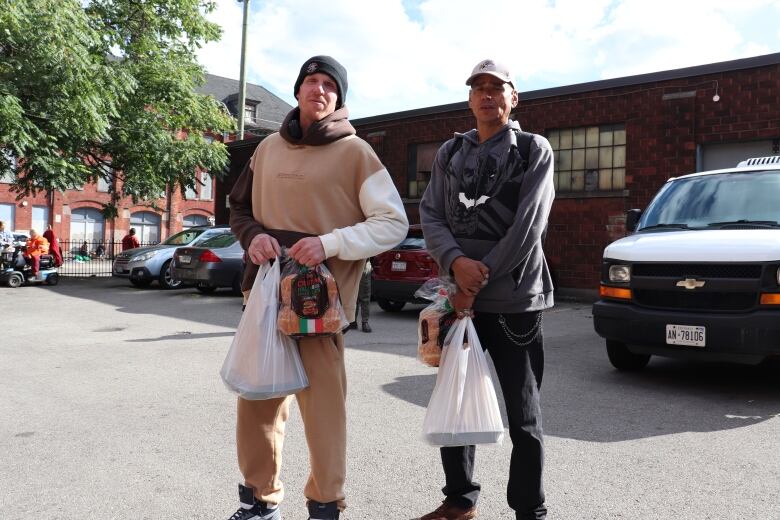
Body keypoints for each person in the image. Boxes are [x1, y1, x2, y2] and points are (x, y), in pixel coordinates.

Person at [227, 55, 407, 520]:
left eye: (330, 84)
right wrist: (253, 237)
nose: (319, 89)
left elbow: (392, 224)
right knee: (258, 404)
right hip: (265, 296)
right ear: (298, 90)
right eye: (312, 81)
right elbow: (239, 210)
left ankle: (326, 504)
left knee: (324, 412)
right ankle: (259, 500)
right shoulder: (266, 148)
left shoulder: (356, 153)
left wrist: (330, 242)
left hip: (318, 304)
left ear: (339, 99)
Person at [417, 59, 555, 520]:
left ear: (514, 98)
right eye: (478, 86)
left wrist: (479, 276)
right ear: (469, 98)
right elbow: (431, 213)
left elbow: (529, 224)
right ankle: (459, 500)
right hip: (458, 297)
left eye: (498, 86)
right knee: (456, 402)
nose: (487, 93)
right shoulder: (450, 152)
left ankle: (529, 510)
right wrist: (456, 264)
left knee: (524, 414)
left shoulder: (533, 149)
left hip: (515, 301)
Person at [348, 259, 372, 332]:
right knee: (353, 294)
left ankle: (365, 322)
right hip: (352, 262)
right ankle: (352, 320)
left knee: (365, 294)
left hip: (365, 264)